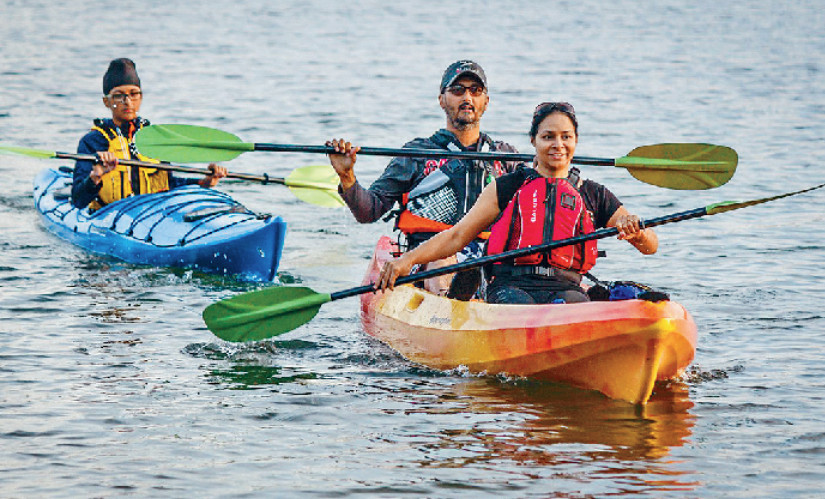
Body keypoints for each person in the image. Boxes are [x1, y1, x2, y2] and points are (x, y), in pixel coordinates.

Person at [374, 102, 658, 304]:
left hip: (566, 287)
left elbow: (651, 246)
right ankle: (463, 294)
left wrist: (636, 231)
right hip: (511, 287)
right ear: (533, 140)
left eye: (566, 137)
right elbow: (457, 236)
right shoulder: (508, 186)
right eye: (548, 137)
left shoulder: (593, 193)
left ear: (576, 141)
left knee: (576, 304)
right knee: (518, 305)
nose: (557, 145)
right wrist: (405, 261)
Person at [327, 60, 519, 295]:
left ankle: (479, 290)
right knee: (442, 262)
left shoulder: (506, 157)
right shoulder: (416, 154)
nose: (467, 97)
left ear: (486, 101)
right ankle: (450, 299)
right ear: (442, 100)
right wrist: (347, 176)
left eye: (475, 90)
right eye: (457, 90)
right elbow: (369, 211)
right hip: (428, 258)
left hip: (490, 256)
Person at [71, 58, 226, 210]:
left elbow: (168, 183)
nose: (128, 102)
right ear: (107, 102)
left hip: (150, 214)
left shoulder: (154, 138)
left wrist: (204, 182)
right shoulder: (93, 141)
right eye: (119, 96)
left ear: (141, 97)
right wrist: (96, 175)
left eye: (134, 94)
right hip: (110, 216)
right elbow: (78, 201)